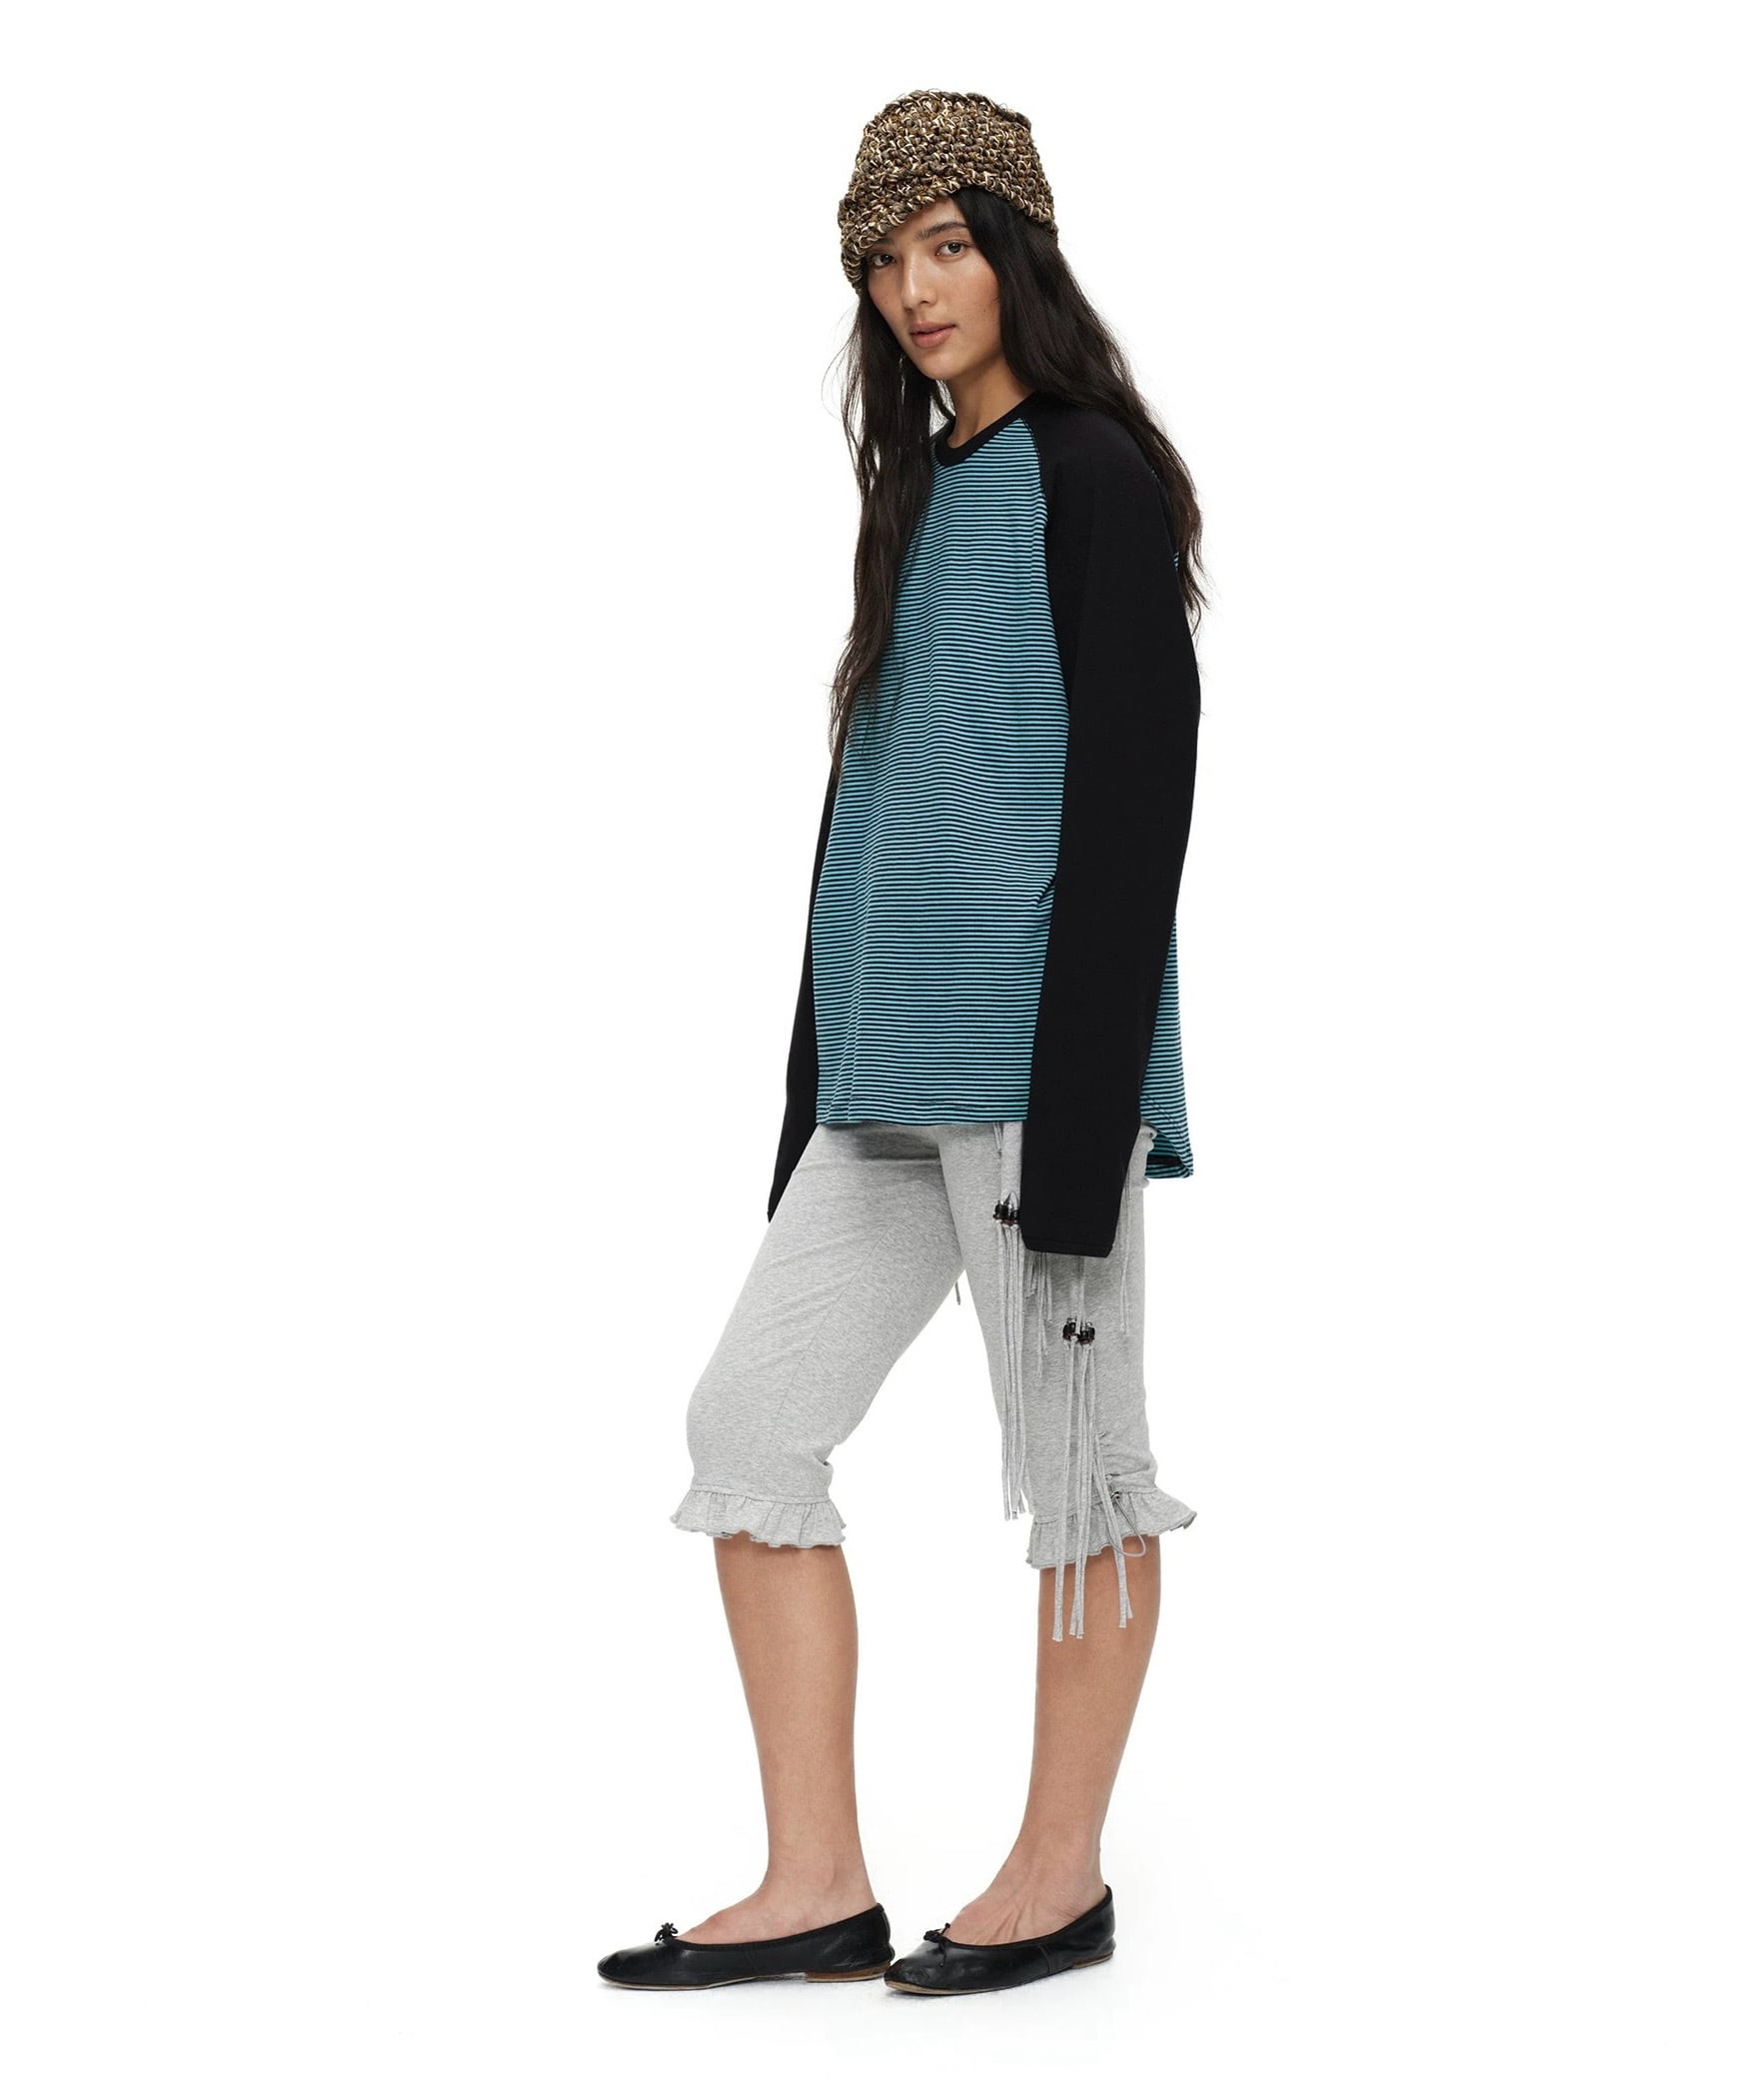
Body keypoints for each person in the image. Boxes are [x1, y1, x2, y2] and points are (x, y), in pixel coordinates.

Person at [598, 88, 1208, 1999]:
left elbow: (1135, 805)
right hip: (877, 1081)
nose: (912, 288)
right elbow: (872, 814)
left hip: (1034, 1080)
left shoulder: (1095, 475)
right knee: (747, 1426)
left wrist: (1091, 1109)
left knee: (1079, 1474)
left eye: (946, 244)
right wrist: (808, 1090)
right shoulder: (921, 489)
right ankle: (815, 1880)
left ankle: (1056, 1876)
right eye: (881, 259)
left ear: (1017, 250)